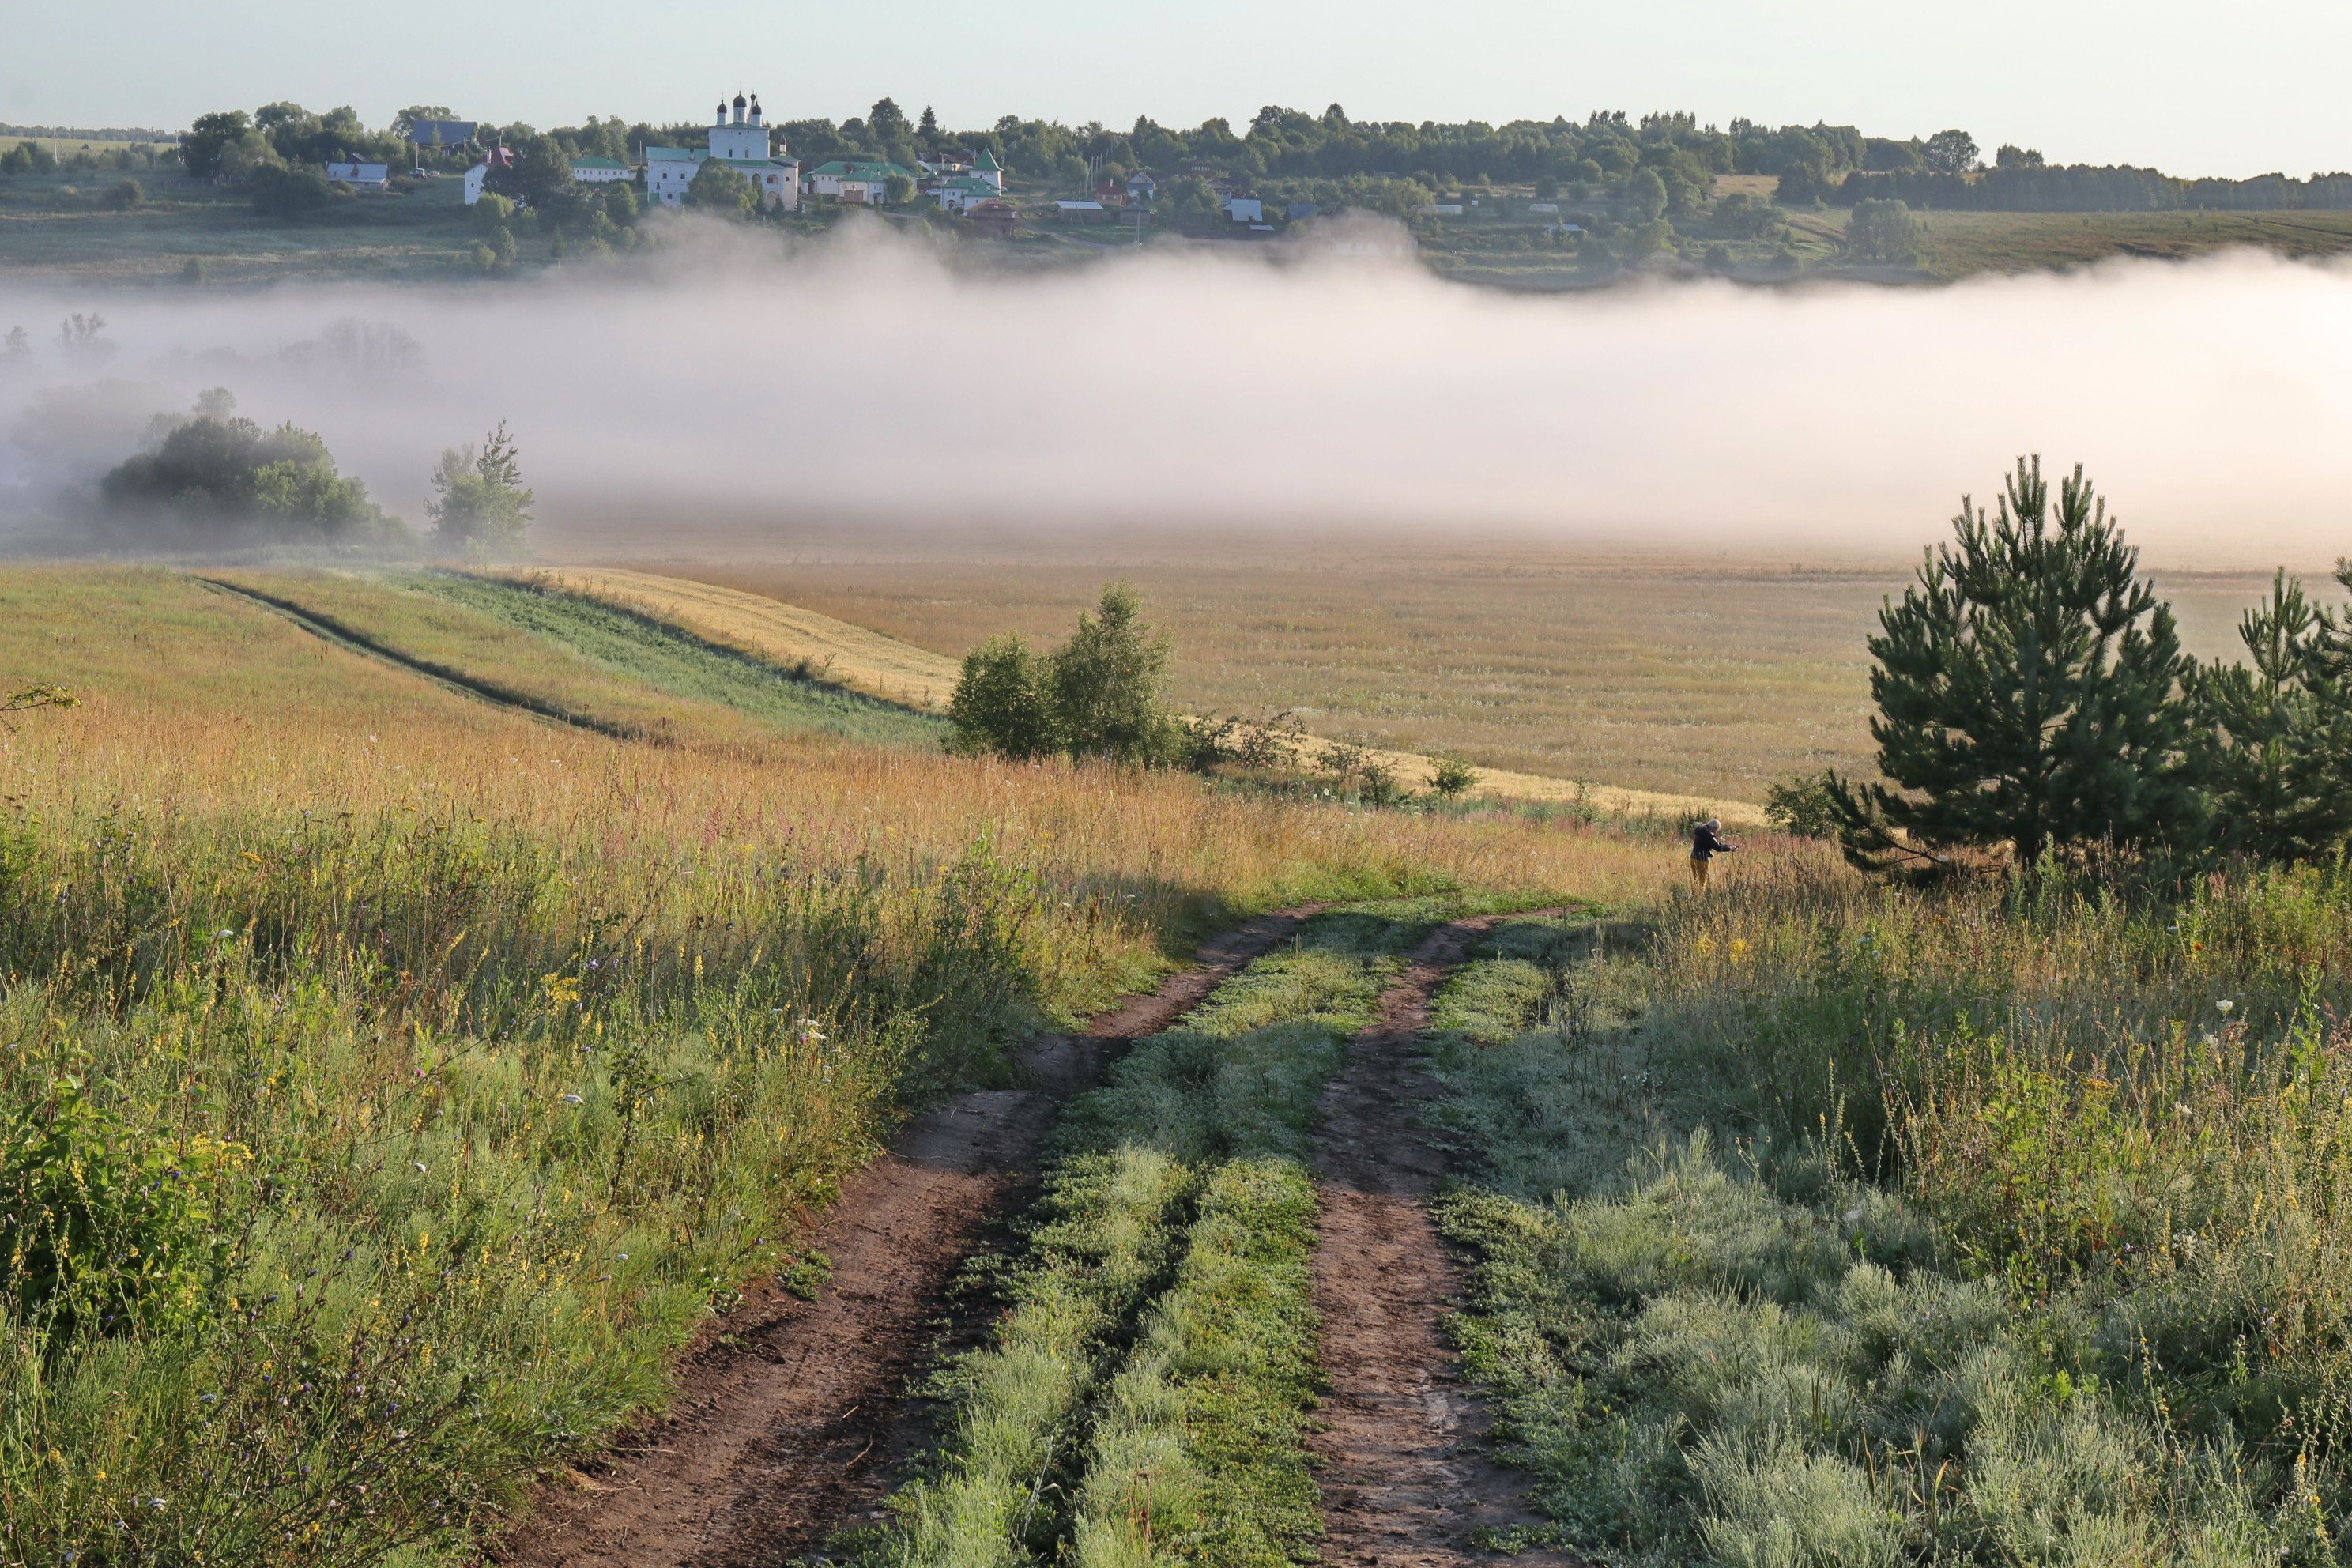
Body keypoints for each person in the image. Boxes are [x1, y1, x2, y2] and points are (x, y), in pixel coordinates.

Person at [1690, 817, 1737, 887]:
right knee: (1702, 882)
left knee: (1696, 880)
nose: (1716, 832)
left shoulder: (1700, 832)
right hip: (1702, 861)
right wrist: (1730, 848)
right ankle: (1700, 896)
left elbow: (1717, 844)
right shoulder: (1709, 836)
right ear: (1714, 828)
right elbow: (1718, 848)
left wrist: (1729, 846)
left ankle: (1694, 895)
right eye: (1717, 830)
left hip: (1693, 858)